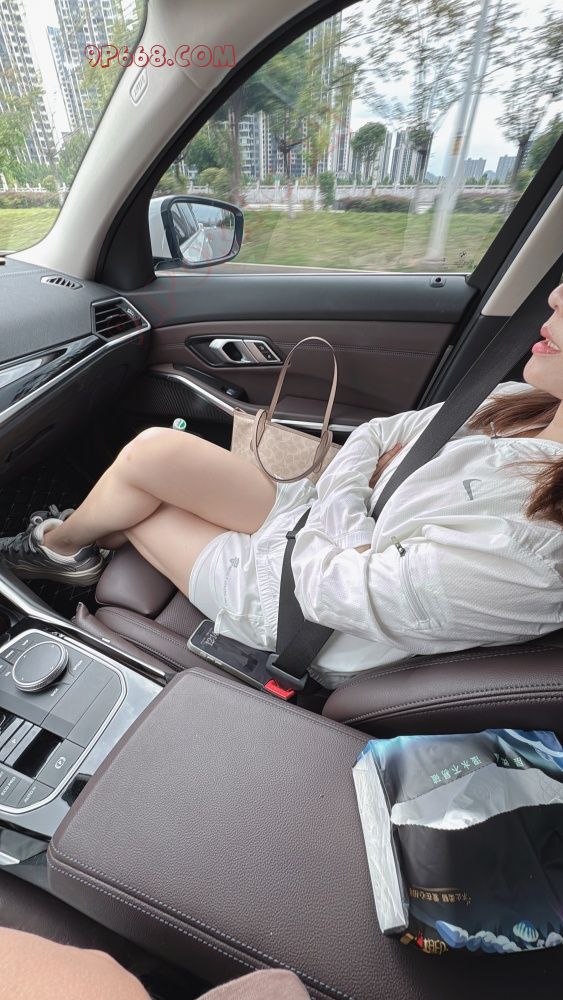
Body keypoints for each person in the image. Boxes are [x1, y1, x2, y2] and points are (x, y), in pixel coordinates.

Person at [1, 283, 563, 689]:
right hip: (316, 526)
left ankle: (61, 547)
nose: (555, 296)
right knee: (154, 451)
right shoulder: (523, 404)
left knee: (141, 507)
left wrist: (358, 495)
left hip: (301, 614)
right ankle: (65, 547)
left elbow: (331, 590)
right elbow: (374, 434)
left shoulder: (537, 549)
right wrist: (354, 520)